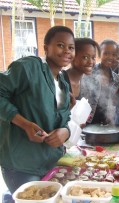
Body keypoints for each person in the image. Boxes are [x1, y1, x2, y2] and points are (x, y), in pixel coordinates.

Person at [0, 26, 75, 193]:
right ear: (46, 48)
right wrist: (25, 124)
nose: (67, 51)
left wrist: (65, 132)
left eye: (71, 47)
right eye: (60, 45)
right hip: (22, 166)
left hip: (51, 162)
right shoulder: (29, 68)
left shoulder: (63, 82)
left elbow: (64, 120)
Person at [80, 39, 119, 124]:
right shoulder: (88, 73)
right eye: (106, 53)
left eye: (114, 54)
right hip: (88, 120)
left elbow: (112, 101)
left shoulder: (116, 78)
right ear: (99, 54)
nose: (110, 57)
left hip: (107, 121)